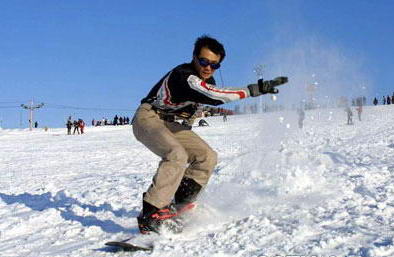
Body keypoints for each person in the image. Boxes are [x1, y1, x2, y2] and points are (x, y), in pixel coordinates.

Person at [131, 35, 288, 234]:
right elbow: (215, 96)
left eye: (214, 65)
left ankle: (180, 205)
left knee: (207, 156)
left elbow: (197, 105)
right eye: (203, 61)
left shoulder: (207, 80)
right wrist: (253, 90)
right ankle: (151, 213)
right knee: (176, 154)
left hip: (170, 123)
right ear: (194, 57)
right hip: (148, 117)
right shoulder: (185, 75)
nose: (208, 68)